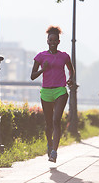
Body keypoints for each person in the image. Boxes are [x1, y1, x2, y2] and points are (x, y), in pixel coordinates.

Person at [30, 26, 75, 163]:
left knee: (56, 120)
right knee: (49, 124)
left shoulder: (64, 56)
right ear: (47, 41)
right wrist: (43, 69)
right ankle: (49, 144)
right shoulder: (40, 56)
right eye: (51, 40)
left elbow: (71, 70)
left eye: (55, 40)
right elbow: (32, 76)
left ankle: (54, 152)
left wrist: (70, 79)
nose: (53, 42)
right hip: (46, 92)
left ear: (59, 41)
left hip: (60, 90)